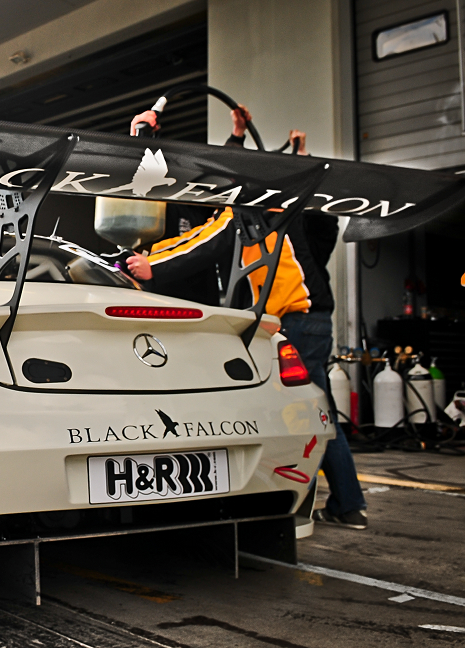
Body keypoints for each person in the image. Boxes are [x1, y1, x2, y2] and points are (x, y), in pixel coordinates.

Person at [125, 109, 368, 530]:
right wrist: (249, 141)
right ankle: (347, 505)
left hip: (289, 322)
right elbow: (322, 216)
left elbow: (206, 241)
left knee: (299, 416)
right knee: (317, 410)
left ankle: (298, 509)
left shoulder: (249, 209)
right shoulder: (293, 212)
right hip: (316, 321)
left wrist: (153, 269)